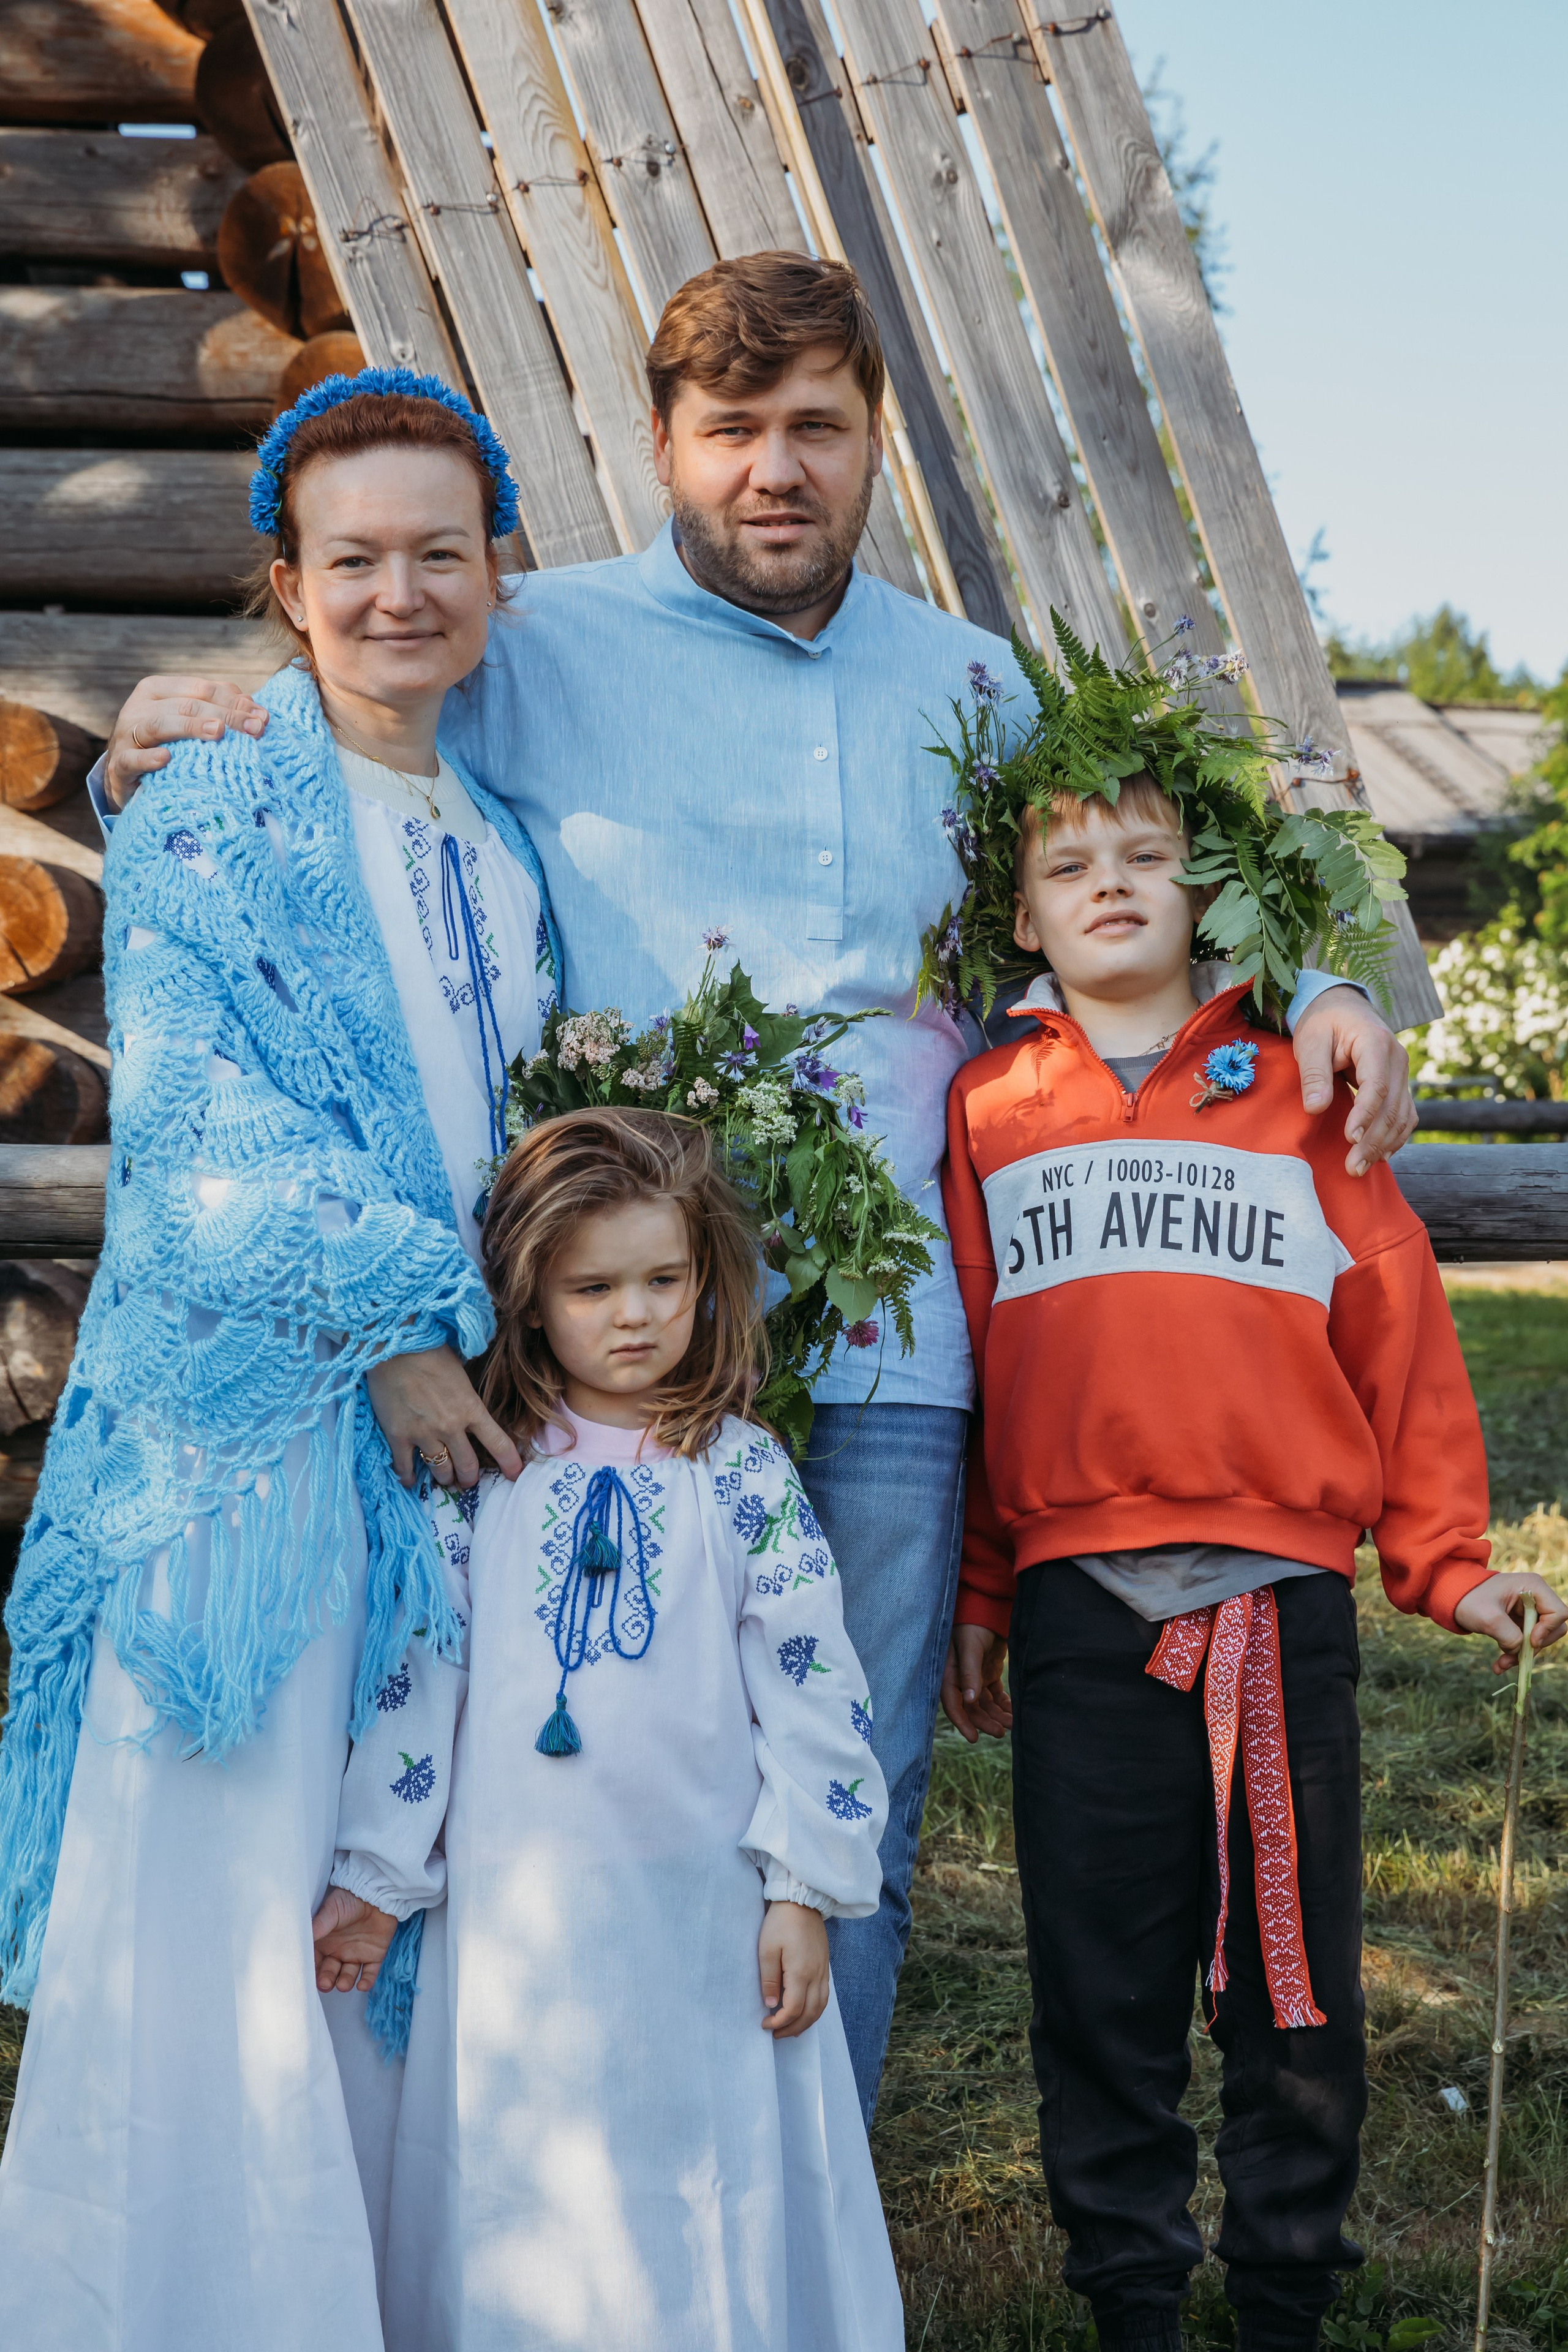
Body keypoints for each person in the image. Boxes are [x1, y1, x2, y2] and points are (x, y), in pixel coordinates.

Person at [91, 253, 1419, 2119]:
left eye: (817, 428)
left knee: (841, 1776)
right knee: (573, 1761)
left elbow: (1174, 858)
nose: (774, 470)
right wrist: (161, 735)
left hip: (886, 1341)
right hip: (597, 1331)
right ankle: (572, 2184)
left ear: (873, 442)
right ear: (662, 445)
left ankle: (806, 2220)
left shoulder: (978, 687)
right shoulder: (529, 641)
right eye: (732, 431)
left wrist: (1333, 976)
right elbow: (342, 741)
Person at [0, 372, 564, 2352]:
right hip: (245, 1445)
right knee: (224, 1907)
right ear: (288, 585)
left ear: (495, 571)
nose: (401, 593)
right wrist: (401, 1326)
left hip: (447, 1440)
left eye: (440, 553)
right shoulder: (216, 802)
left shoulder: (505, 842)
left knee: (370, 1897)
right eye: (355, 559)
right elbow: (197, 1122)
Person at [936, 644, 1567, 2352]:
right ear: (1019, 916)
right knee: (1099, 1974)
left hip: (1276, 1606)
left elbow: (1397, 1322)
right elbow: (983, 1364)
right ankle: (1132, 2299)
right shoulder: (988, 1106)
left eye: (1147, 854)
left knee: (1292, 1984)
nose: (1109, 883)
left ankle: (1287, 2291)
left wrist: (1447, 1563)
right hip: (1080, 1608)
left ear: (1208, 889)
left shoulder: (1299, 1080)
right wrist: (983, 1595)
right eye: (1069, 863)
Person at [325, 1107, 902, 2351]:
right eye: (593, 1289)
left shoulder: (739, 1473)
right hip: (520, 1918)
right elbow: (423, 1683)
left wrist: (802, 1886)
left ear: (705, 1279)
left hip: (700, 1914)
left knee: (689, 2162)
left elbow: (813, 1684)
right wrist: (378, 1872)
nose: (634, 1315)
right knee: (530, 2168)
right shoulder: (483, 1477)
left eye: (663, 1281)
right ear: (531, 1300)